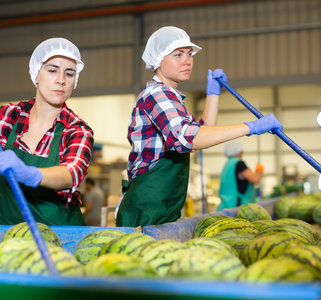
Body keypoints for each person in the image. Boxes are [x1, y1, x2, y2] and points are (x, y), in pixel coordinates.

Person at [115, 26, 282, 227]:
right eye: (178, 54)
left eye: (189, 54)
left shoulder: (172, 98)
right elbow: (186, 138)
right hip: (144, 210)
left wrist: (213, 93)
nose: (187, 60)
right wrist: (250, 127)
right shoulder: (157, 95)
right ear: (158, 59)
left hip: (161, 209)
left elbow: (203, 132)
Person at [0, 38, 94, 226]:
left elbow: (70, 174)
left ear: (74, 82)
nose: (61, 80)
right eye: (52, 70)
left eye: (69, 74)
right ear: (36, 74)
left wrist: (30, 174)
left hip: (62, 239)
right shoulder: (7, 117)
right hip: (10, 235)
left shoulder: (77, 129)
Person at [217, 140, 264, 210]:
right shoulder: (239, 164)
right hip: (236, 207)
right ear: (240, 151)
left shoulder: (228, 164)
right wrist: (259, 170)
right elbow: (255, 179)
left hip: (226, 206)